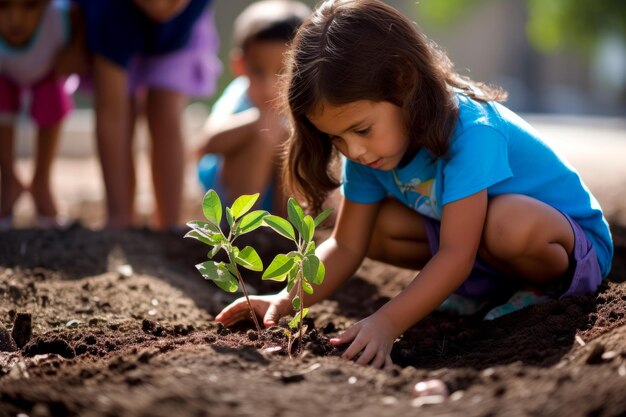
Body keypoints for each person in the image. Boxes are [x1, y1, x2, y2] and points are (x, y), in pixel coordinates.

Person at [215, 0, 613, 368]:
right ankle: (486, 291)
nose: (353, 149)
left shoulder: (472, 132)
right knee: (375, 228)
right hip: (482, 248)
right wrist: (286, 299)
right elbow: (347, 243)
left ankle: (536, 292)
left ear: (403, 83)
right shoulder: (371, 149)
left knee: (505, 222)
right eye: (336, 138)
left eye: (361, 129)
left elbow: (457, 253)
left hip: (569, 249)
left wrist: (387, 323)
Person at [73, 0, 221, 230]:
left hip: (182, 26)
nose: (162, 6)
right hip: (116, 17)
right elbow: (111, 115)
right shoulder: (107, 12)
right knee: (120, 109)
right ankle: (120, 217)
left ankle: (169, 223)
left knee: (165, 113)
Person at [194, 0, 310, 215]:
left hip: (278, 196)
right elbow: (205, 144)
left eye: (281, 72)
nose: (269, 85)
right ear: (239, 65)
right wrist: (255, 123)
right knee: (263, 136)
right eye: (258, 71)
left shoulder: (302, 100)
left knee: (296, 143)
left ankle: (287, 231)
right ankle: (244, 230)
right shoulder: (239, 95)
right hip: (230, 192)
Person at [0, 0, 82, 229]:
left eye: (29, 6)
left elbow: (81, 26)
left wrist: (74, 49)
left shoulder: (63, 18)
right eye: (3, 7)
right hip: (4, 77)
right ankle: (8, 181)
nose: (15, 19)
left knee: (52, 97)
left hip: (48, 73)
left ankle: (41, 182)